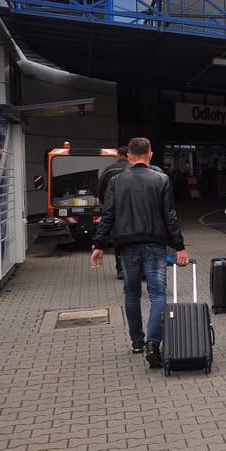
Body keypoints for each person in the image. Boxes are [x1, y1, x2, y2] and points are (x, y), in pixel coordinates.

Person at [90, 137, 190, 368]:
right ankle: (153, 344)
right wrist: (179, 247)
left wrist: (98, 245)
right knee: (157, 295)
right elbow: (170, 216)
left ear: (129, 156)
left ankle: (137, 341)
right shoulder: (161, 179)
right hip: (155, 245)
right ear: (150, 155)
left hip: (126, 246)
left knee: (131, 294)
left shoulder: (116, 181)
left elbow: (108, 215)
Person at [97, 146, 130, 279]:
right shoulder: (135, 169)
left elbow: (100, 189)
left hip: (116, 211)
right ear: (129, 155)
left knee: (118, 239)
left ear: (118, 155)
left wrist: (105, 204)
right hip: (133, 209)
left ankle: (121, 269)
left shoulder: (109, 170)